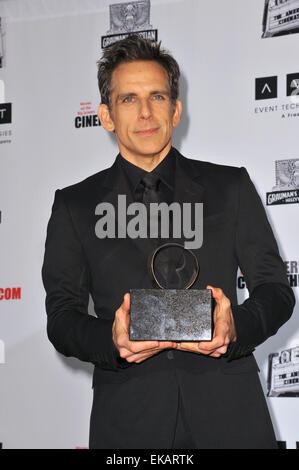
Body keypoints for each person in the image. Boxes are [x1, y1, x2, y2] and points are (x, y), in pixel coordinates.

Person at [42, 35, 295, 449]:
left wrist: (235, 327)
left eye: (157, 96)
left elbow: (275, 290)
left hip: (231, 418)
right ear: (105, 115)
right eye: (128, 99)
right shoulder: (75, 206)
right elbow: (62, 317)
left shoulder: (230, 188)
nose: (145, 112)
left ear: (175, 110)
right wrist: (113, 339)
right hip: (129, 421)